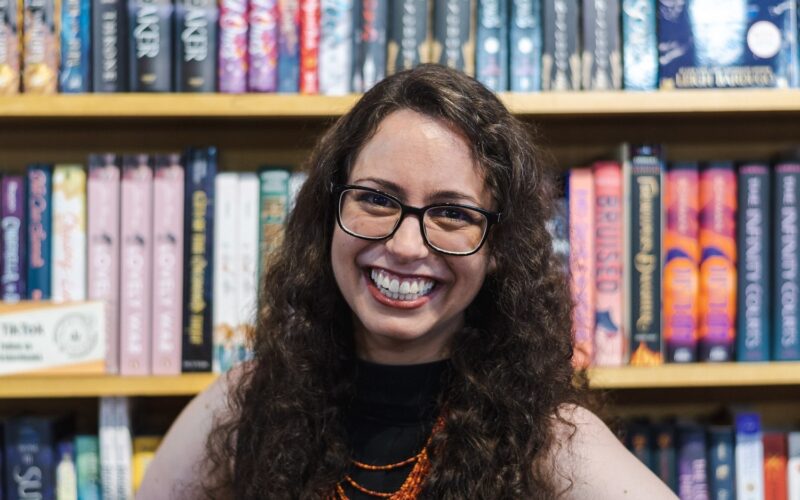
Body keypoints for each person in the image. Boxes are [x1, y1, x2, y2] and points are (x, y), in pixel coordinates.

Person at [139, 64, 677, 499]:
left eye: (453, 214)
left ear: (498, 250)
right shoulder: (246, 403)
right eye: (376, 199)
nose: (404, 246)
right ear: (330, 211)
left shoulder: (548, 440)